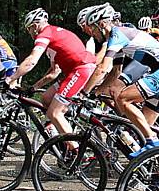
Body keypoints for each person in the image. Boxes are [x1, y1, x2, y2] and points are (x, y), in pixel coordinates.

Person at [81, 3, 159, 157]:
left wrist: (83, 93)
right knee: (142, 129)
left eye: (93, 28)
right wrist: (96, 92)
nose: (92, 33)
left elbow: (102, 68)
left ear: (102, 24)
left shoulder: (116, 34)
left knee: (123, 98)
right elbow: (114, 72)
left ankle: (153, 141)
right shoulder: (120, 39)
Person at [5, 8, 97, 137]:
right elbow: (54, 72)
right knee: (46, 98)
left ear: (35, 26)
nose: (29, 33)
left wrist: (10, 79)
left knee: (54, 113)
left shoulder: (45, 34)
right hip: (76, 71)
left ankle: (75, 151)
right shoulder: (53, 34)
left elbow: (31, 61)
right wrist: (34, 87)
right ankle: (63, 125)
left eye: (29, 29)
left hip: (81, 69)